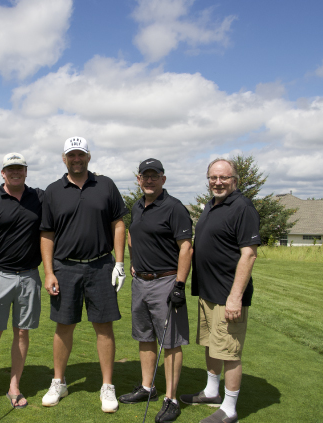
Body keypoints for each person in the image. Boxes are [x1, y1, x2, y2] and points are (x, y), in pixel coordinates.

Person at [38, 137, 129, 412]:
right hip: (65, 267)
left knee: (104, 326)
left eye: (81, 154)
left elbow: (118, 223)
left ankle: (107, 386)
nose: (76, 159)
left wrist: (120, 263)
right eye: (71, 155)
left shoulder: (106, 185)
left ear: (88, 156)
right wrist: (49, 272)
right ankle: (59, 382)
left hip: (101, 265)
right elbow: (47, 234)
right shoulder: (53, 191)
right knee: (64, 325)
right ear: (63, 158)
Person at [180, 158, 261, 423]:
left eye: (224, 178)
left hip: (228, 296)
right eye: (213, 177)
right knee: (211, 345)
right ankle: (212, 391)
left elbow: (248, 255)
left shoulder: (243, 208)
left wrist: (235, 297)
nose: (218, 182)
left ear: (234, 180)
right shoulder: (211, 205)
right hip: (208, 293)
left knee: (229, 352)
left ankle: (229, 408)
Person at [116, 158, 194, 423]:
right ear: (138, 179)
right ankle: (147, 387)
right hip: (141, 282)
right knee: (145, 337)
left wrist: (180, 285)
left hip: (166, 282)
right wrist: (134, 263)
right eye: (144, 176)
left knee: (170, 342)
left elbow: (186, 247)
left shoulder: (174, 208)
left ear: (163, 178)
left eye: (154, 175)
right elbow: (132, 237)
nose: (149, 180)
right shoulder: (137, 207)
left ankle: (171, 399)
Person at [0, 153, 43, 410]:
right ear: (3, 173)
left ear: (26, 171)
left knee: (22, 333)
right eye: (10, 169)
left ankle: (14, 386)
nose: (15, 172)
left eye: (19, 168)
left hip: (30, 275)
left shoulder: (39, 198)